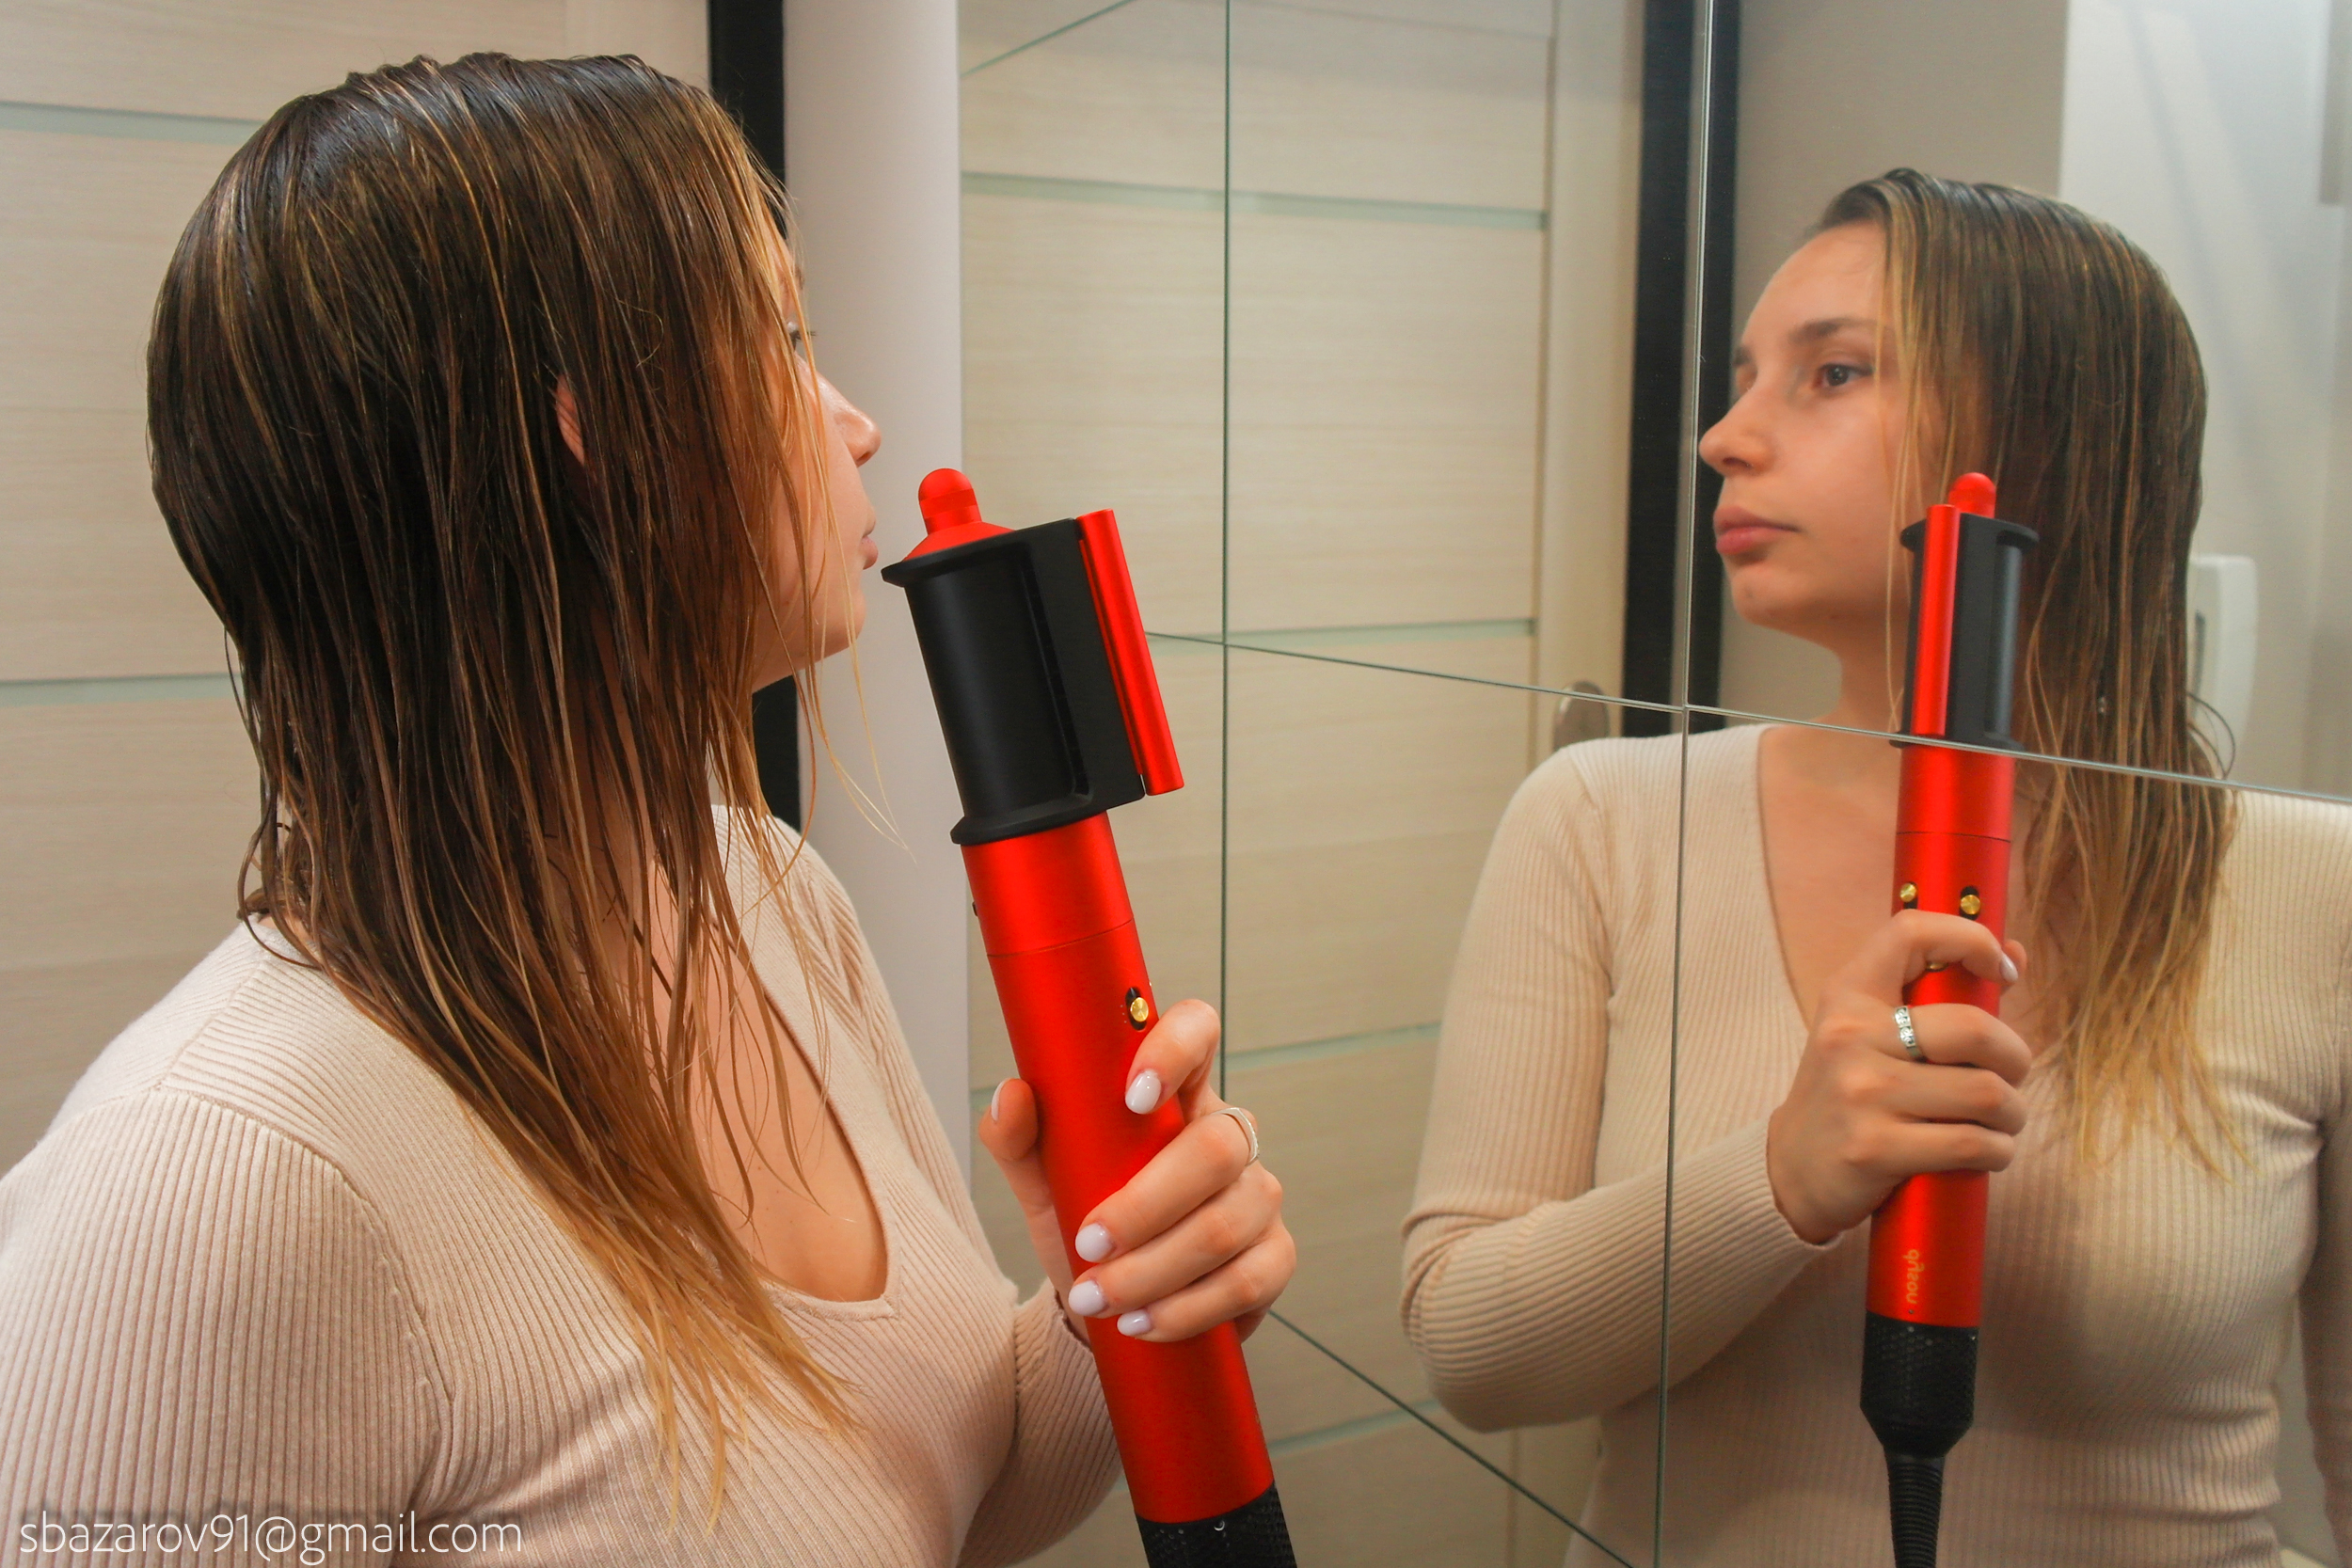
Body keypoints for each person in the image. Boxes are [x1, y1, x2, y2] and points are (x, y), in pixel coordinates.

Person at [0, 54, 1292, 1567]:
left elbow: (919, 1503)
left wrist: (1123, 1298)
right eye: (785, 339)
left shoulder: (766, 893)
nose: (858, 424)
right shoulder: (216, 1179)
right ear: (594, 439)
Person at [1402, 168, 2352, 1565]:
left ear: (2046, 438)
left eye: (1832, 373)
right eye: (1745, 380)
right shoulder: (1604, 821)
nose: (1725, 437)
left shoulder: (2316, 892)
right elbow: (1471, 1348)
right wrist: (1776, 1178)